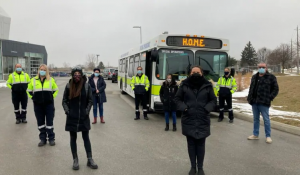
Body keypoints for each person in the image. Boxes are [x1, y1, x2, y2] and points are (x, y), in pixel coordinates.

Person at [174, 66, 216, 175]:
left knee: (201, 145)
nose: (195, 73)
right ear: (190, 73)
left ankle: (200, 167)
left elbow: (213, 100)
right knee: (191, 145)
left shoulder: (207, 86)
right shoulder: (184, 85)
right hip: (189, 118)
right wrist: (184, 108)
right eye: (193, 72)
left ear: (202, 73)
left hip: (203, 119)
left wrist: (207, 109)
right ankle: (193, 167)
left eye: (198, 72)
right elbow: (177, 99)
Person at [62, 67, 98, 170]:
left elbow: (90, 101)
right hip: (72, 117)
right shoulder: (69, 86)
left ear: (81, 75)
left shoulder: (86, 86)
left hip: (83, 117)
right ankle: (75, 160)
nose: (77, 76)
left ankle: (90, 159)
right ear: (72, 75)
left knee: (86, 137)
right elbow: (64, 101)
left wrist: (86, 112)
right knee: (73, 138)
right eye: (75, 74)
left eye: (79, 74)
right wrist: (68, 112)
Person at [27, 64, 58, 147]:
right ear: (38, 70)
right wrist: (33, 98)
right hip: (38, 105)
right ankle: (42, 139)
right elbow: (28, 90)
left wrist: (51, 97)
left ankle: (51, 139)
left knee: (49, 122)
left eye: (44, 70)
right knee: (40, 122)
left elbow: (56, 90)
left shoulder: (51, 80)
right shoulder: (33, 80)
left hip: (49, 105)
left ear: (46, 71)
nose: (42, 71)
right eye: (41, 69)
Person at [247, 63, 279, 144]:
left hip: (264, 102)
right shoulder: (254, 77)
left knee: (266, 119)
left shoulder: (271, 77)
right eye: (260, 67)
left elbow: (276, 89)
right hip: (254, 102)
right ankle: (255, 134)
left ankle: (268, 136)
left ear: (266, 68)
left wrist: (270, 97)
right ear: (257, 68)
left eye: (263, 67)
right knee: (256, 119)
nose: (261, 68)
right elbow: (251, 88)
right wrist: (249, 98)